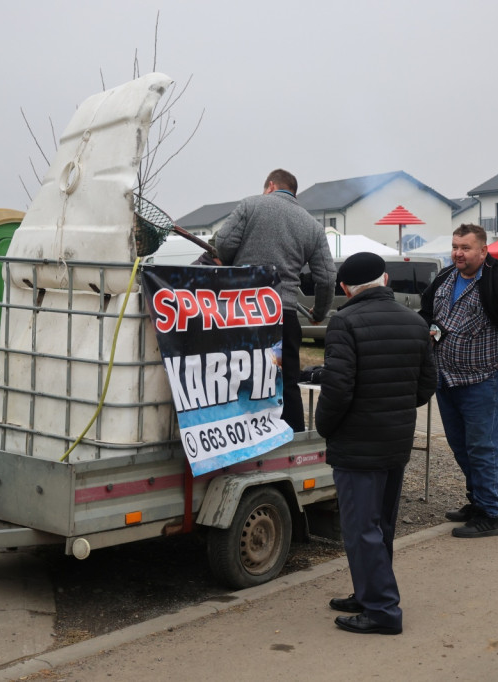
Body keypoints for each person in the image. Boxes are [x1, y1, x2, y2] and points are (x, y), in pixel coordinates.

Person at [315, 252, 436, 635]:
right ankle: (369, 592)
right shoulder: (415, 322)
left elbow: (337, 388)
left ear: (345, 288)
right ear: (385, 280)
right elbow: (426, 385)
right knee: (380, 524)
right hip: (396, 438)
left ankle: (382, 610)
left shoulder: (344, 322)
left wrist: (324, 427)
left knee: (360, 527)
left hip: (357, 442)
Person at [420, 224, 498, 538]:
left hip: (484, 380)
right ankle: (477, 501)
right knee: (461, 447)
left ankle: (491, 515)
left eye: (465, 248)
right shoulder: (445, 278)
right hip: (446, 379)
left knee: (482, 448)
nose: (458, 253)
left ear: (482, 250)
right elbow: (429, 316)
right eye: (455, 247)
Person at [214, 169, 335, 432]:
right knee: (287, 381)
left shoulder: (251, 204)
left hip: (241, 311)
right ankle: (289, 442)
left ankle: (239, 434)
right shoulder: (311, 226)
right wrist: (319, 312)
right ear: (293, 192)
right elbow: (326, 278)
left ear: (270, 186)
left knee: (236, 377)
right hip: (283, 313)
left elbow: (223, 244)